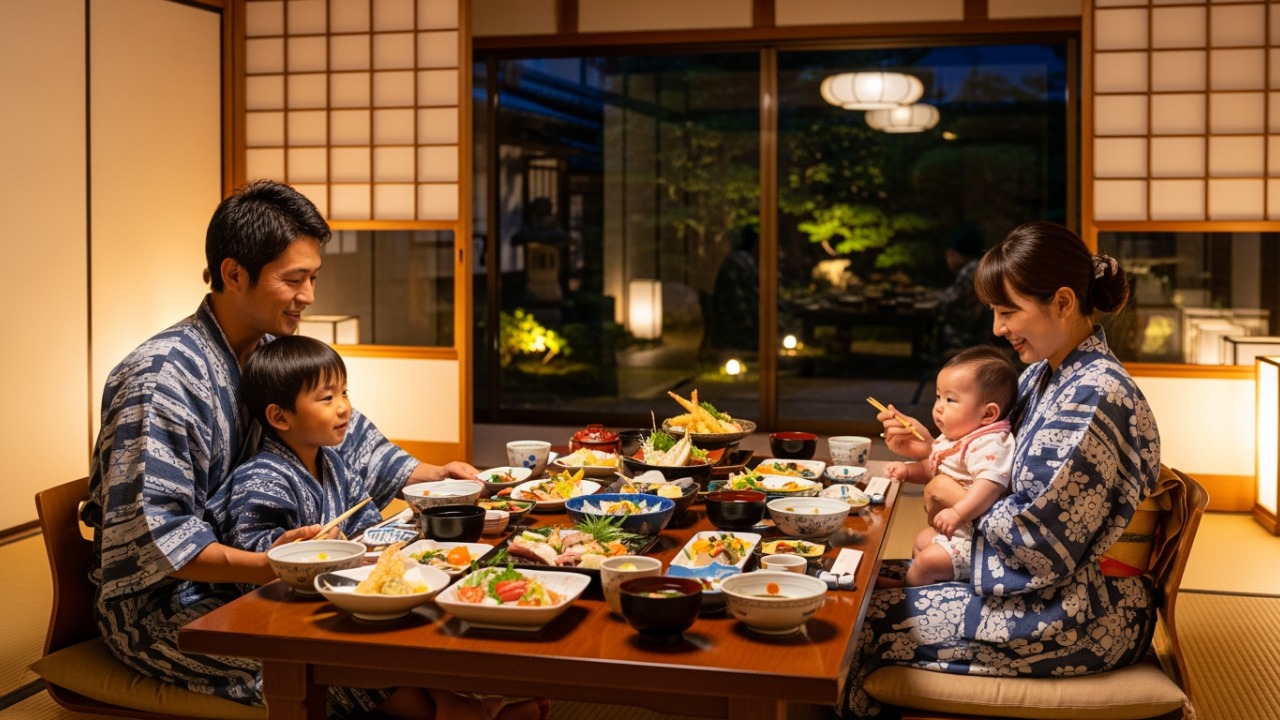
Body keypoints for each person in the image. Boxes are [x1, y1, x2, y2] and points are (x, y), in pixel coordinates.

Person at [83, 180, 542, 719]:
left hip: (261, 577)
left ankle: (461, 705)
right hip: (169, 608)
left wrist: (437, 477)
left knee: (409, 618)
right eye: (293, 279)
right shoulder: (161, 380)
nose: (309, 295)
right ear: (234, 274)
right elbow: (157, 539)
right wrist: (274, 565)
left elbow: (352, 439)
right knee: (352, 666)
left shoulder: (271, 351)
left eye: (313, 277)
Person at [841, 221, 1161, 717]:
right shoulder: (1041, 376)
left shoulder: (1093, 395)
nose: (997, 328)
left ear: (1062, 302)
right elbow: (988, 454)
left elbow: (1037, 544)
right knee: (848, 585)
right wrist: (932, 448)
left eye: (1008, 311)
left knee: (852, 627)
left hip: (1073, 611)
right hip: (1016, 580)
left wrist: (948, 491)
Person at [219, 335, 382, 551]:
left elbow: (367, 522)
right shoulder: (262, 476)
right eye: (327, 398)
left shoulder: (335, 464)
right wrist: (303, 547)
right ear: (280, 417)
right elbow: (251, 549)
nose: (344, 407)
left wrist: (353, 541)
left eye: (344, 392)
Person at [880, 345, 1017, 587]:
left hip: (978, 543)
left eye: (950, 399)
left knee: (929, 560)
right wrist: (908, 471)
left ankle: (906, 591)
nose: (939, 407)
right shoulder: (956, 437)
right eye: (938, 397)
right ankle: (922, 584)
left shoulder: (990, 443)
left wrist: (958, 513)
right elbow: (934, 469)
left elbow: (989, 486)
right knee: (922, 541)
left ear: (988, 414)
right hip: (957, 534)